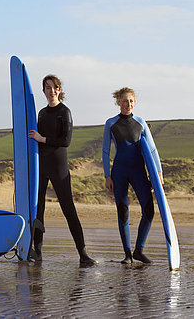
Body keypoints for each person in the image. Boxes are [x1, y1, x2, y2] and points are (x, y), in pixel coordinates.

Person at [28, 75, 96, 266]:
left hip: (59, 167)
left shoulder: (64, 112)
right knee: (37, 209)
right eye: (48, 88)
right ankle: (38, 252)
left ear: (59, 90)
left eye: (55, 87)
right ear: (43, 91)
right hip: (41, 167)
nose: (51, 91)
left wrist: (43, 139)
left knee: (68, 209)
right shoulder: (41, 113)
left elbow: (65, 141)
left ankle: (83, 254)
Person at [102, 87, 163, 264]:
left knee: (149, 211)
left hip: (138, 171)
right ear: (118, 102)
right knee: (123, 211)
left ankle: (139, 250)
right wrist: (107, 175)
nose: (127, 104)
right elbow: (106, 151)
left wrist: (158, 172)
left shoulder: (141, 123)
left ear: (134, 102)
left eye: (130, 101)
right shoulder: (110, 123)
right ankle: (127, 254)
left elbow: (152, 149)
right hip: (119, 172)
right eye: (124, 101)